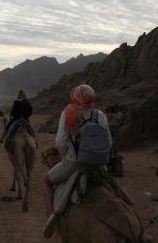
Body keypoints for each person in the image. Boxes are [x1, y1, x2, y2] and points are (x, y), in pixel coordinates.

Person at [42, 84, 112, 238]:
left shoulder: (67, 114)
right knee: (115, 191)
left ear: (75, 98)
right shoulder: (99, 115)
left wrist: (69, 155)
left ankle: (50, 218)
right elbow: (109, 142)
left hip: (74, 163)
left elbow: (60, 143)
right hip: (99, 164)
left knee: (46, 181)